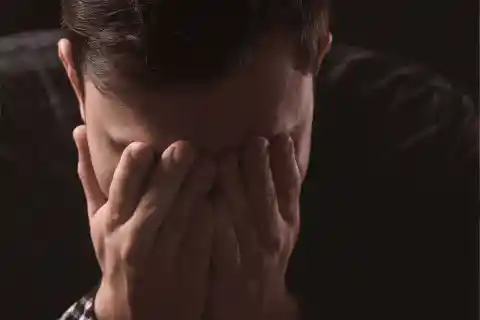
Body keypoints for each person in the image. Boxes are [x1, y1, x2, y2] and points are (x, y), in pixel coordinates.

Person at [57, 0, 478, 319]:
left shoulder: (428, 152)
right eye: (153, 166)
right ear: (76, 80)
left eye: (252, 160)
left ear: (317, 59)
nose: (211, 208)